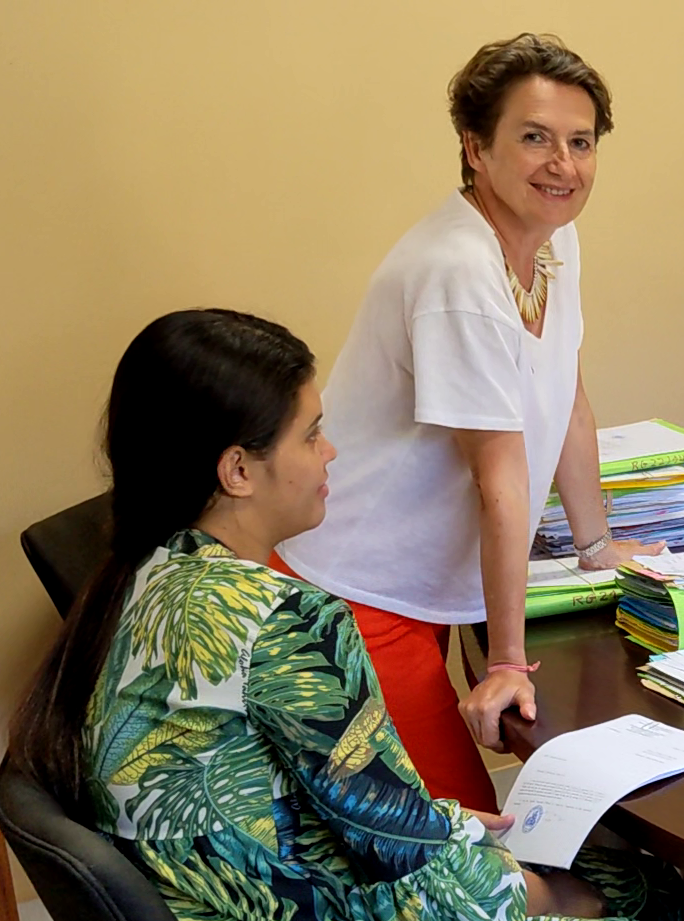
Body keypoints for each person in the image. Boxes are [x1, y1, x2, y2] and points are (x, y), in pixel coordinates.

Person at [9, 309, 684, 921]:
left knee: (624, 889)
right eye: (311, 434)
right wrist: (547, 896)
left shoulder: (132, 586)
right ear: (238, 470)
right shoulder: (284, 621)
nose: (331, 454)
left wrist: (451, 831)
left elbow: (344, 813)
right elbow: (417, 872)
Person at [278, 34, 660, 811]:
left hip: (421, 584)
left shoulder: (553, 240)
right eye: (535, 138)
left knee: (471, 814)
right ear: (475, 148)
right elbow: (500, 480)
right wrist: (509, 663)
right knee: (457, 823)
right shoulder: (456, 269)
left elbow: (567, 396)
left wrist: (595, 546)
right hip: (361, 591)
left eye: (581, 142)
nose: (563, 165)